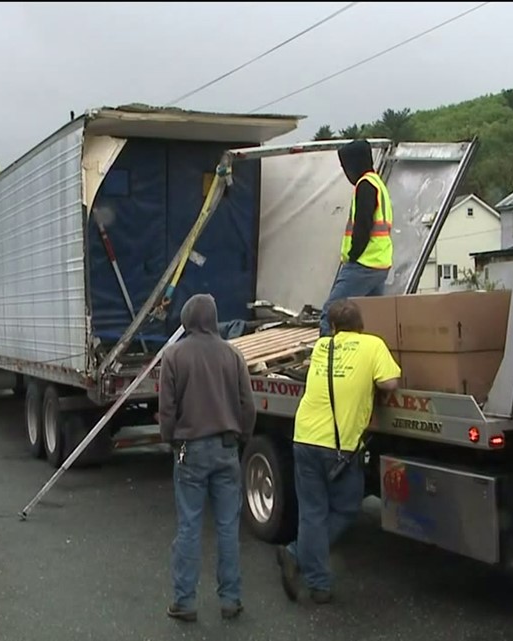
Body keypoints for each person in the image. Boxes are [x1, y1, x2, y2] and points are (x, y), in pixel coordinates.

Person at [276, 298, 400, 604]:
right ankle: (299, 560)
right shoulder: (373, 345)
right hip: (338, 446)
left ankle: (314, 578)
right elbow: (390, 383)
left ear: (332, 327)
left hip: (304, 437)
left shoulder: (322, 347)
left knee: (312, 513)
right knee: (345, 508)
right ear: (361, 325)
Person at [158, 293, 257, 622]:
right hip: (227, 448)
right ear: (214, 319)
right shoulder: (233, 354)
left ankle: (184, 602)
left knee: (189, 526)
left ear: (186, 320)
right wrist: (242, 437)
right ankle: (231, 599)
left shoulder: (173, 356)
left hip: (190, 450)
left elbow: (167, 409)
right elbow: (248, 406)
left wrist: (170, 439)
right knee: (228, 527)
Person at [318, 139, 395, 337]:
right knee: (367, 320)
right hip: (380, 262)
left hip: (363, 262)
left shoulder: (365, 186)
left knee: (331, 312)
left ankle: (325, 360)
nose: (346, 172)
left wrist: (353, 256)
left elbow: (363, 225)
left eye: (345, 166)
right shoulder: (378, 183)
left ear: (354, 164)